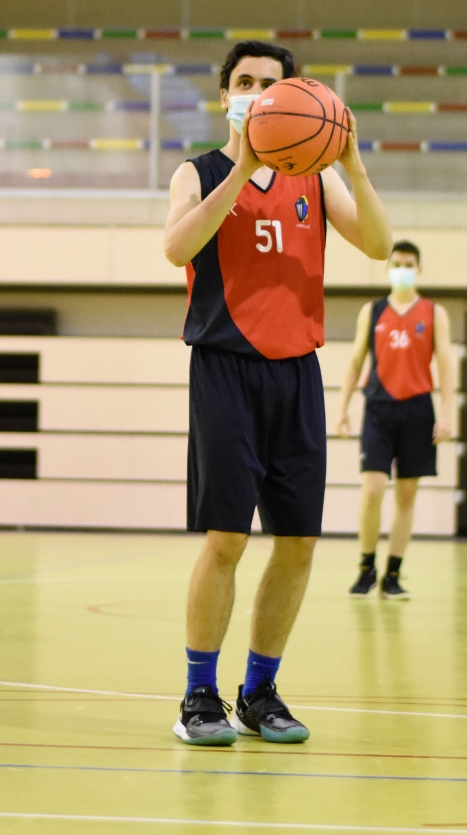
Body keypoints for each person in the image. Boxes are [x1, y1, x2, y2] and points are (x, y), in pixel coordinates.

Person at [164, 39, 392, 745]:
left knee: (297, 543)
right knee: (226, 538)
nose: (256, 92)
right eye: (244, 82)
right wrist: (244, 166)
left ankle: (259, 692)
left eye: (269, 83)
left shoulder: (315, 178)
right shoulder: (198, 172)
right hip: (225, 367)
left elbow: (380, 245)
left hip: (296, 372)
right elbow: (175, 248)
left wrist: (352, 163)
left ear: (292, 95)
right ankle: (199, 696)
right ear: (225, 95)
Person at [336, 241, 456, 598]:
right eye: (397, 264)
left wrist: (447, 412)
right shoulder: (372, 311)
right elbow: (355, 360)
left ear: (419, 269)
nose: (403, 269)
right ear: (388, 268)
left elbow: (446, 363)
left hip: (417, 409)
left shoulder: (434, 313)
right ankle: (366, 568)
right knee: (372, 490)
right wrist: (342, 407)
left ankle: (393, 575)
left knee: (406, 495)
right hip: (378, 408)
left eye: (409, 264)